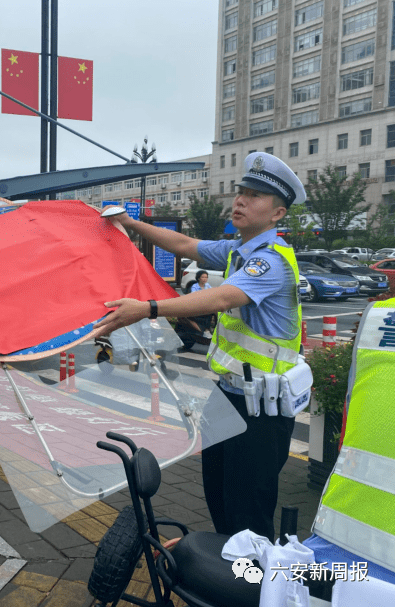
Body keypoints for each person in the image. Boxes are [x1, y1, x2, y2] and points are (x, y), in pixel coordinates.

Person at [95, 152, 307, 541]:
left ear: (277, 214)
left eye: (255, 196)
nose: (241, 200)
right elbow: (182, 243)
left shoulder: (270, 263)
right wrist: (128, 223)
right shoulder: (235, 253)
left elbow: (222, 299)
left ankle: (254, 591)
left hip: (261, 410)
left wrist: (149, 308)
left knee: (249, 512)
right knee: (220, 498)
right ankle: (225, 573)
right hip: (227, 395)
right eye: (241, 191)